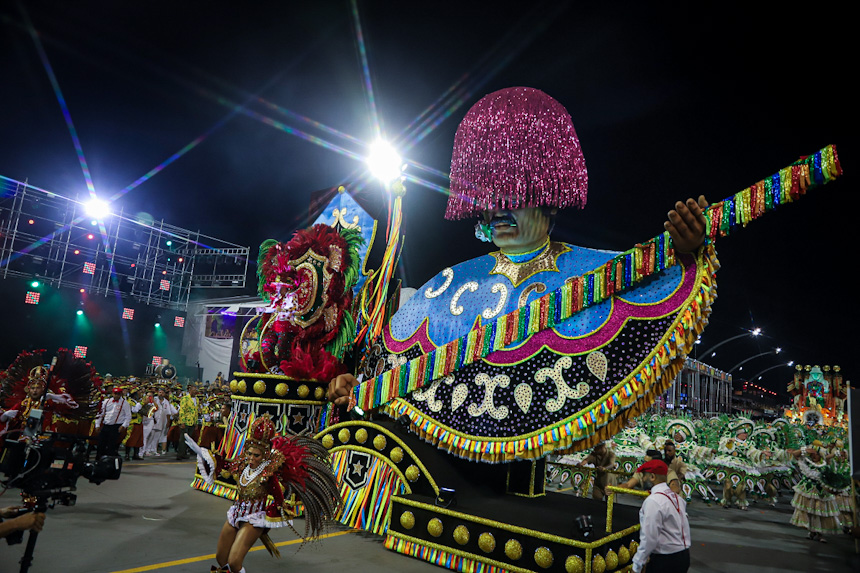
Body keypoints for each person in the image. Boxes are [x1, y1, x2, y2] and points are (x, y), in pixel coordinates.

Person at [184, 414, 340, 573]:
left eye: (256, 455)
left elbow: (279, 499)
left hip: (254, 520)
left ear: (264, 455)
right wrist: (203, 453)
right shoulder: (242, 464)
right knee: (221, 558)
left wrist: (275, 512)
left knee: (234, 562)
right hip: (236, 514)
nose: (251, 458)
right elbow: (223, 464)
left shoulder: (267, 474)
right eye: (249, 453)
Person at [632, 459, 691, 573]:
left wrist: (638, 564)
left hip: (665, 560)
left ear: (652, 477)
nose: (643, 480)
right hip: (683, 556)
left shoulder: (654, 501)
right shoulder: (676, 497)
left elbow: (649, 537)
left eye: (644, 476)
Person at [94, 386, 131, 458]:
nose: (116, 395)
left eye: (118, 394)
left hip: (116, 426)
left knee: (112, 444)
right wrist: (97, 425)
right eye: (115, 393)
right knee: (101, 443)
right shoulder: (106, 401)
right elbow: (100, 414)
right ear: (112, 394)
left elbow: (128, 416)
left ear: (121, 394)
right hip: (106, 425)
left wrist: (124, 425)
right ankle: (98, 459)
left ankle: (109, 460)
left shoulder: (125, 403)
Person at [176, 384, 200, 460]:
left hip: (192, 422)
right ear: (189, 390)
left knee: (189, 439)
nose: (195, 392)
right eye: (193, 390)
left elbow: (196, 411)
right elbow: (182, 410)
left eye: (196, 390)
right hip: (186, 422)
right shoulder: (185, 398)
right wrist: (182, 422)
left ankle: (185, 453)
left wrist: (196, 423)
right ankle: (180, 454)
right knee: (183, 439)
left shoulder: (197, 399)